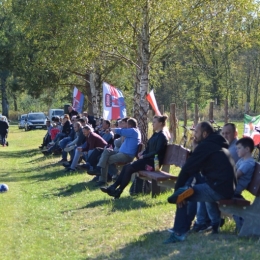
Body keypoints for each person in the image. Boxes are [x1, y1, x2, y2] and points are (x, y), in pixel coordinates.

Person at [164, 122, 236, 244]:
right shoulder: (216, 143)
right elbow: (193, 170)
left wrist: (177, 191)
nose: (194, 135)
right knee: (186, 191)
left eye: (196, 132)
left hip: (219, 188)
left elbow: (187, 168)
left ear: (205, 133)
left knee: (181, 195)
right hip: (225, 187)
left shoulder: (206, 146)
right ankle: (187, 226)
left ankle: (179, 233)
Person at [100, 115, 169, 199]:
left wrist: (144, 156)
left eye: (154, 122)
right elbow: (148, 148)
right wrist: (142, 153)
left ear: (161, 123)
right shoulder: (156, 134)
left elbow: (157, 152)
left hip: (154, 164)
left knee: (129, 168)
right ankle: (114, 188)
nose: (152, 124)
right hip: (148, 160)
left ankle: (117, 190)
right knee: (126, 167)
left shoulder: (162, 136)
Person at [92, 118, 141, 186]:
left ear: (129, 125)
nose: (125, 126)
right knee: (107, 151)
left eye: (126, 124)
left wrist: (110, 129)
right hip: (121, 153)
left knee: (106, 160)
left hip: (126, 155)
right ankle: (99, 169)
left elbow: (120, 131)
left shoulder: (133, 131)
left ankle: (103, 180)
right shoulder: (131, 132)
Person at [232, 137, 255, 231]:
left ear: (247, 149)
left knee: (209, 192)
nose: (236, 150)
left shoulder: (248, 163)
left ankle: (211, 222)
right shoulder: (242, 160)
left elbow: (235, 175)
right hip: (233, 188)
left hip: (234, 190)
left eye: (239, 148)